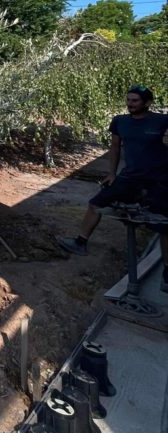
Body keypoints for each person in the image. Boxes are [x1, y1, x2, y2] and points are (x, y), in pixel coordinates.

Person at [56, 85, 168, 287]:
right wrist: (111, 174)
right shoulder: (120, 122)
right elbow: (115, 147)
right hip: (129, 178)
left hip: (159, 181)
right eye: (128, 100)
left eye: (135, 101)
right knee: (95, 204)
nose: (130, 104)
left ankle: (167, 272)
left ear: (147, 103)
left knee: (164, 225)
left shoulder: (162, 122)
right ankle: (80, 242)